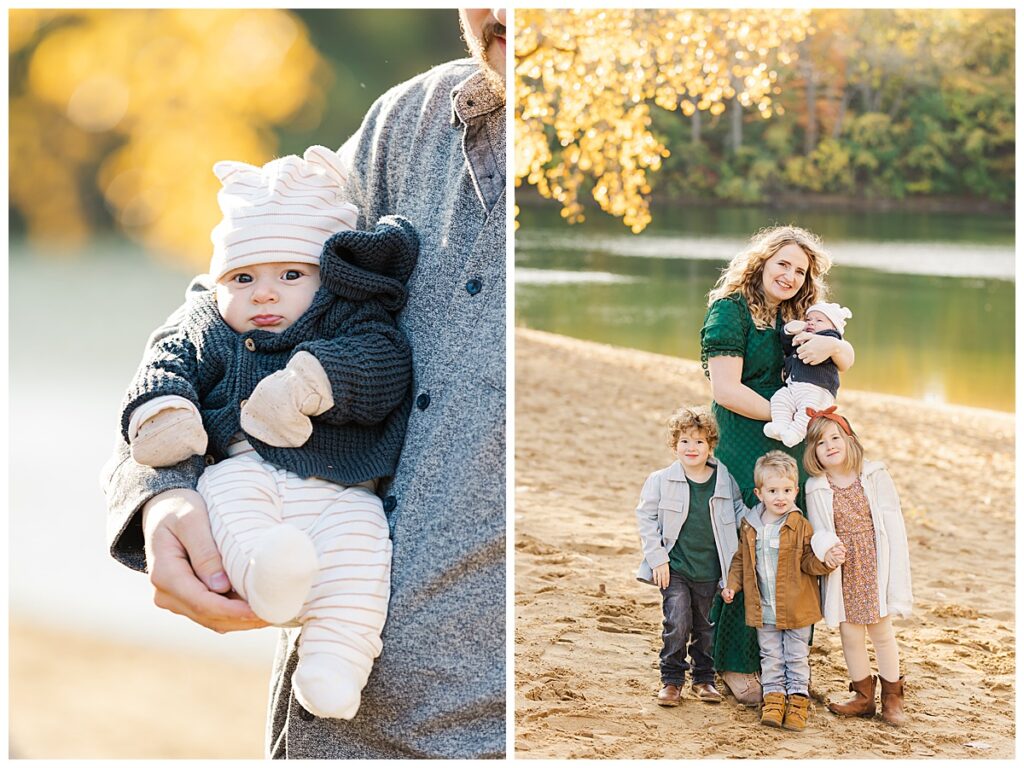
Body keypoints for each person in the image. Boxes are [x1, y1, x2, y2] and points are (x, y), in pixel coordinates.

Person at [101, 8, 507, 758]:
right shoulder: (408, 126)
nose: (507, 13)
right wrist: (163, 490)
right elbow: (222, 300)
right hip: (331, 740)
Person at [119, 145, 417, 720]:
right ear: (218, 280)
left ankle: (334, 661)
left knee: (361, 552)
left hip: (345, 490)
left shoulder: (349, 319)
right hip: (241, 471)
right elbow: (164, 366)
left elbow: (381, 366)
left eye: (290, 275)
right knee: (231, 506)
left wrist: (309, 383)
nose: (264, 293)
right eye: (242, 276)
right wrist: (164, 419)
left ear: (327, 279)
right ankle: (266, 576)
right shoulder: (208, 326)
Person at [699, 224, 854, 707]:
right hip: (746, 433)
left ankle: (788, 662)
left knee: (795, 536)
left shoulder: (799, 314)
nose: (789, 275)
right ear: (761, 262)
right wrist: (789, 413)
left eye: (800, 270)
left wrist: (831, 348)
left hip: (793, 441)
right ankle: (735, 661)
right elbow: (725, 390)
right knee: (752, 539)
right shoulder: (730, 311)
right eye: (782, 264)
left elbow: (845, 356)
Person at [803, 407, 913, 726]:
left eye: (835, 438)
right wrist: (827, 548)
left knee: (881, 630)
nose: (830, 446)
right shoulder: (816, 487)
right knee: (850, 633)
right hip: (845, 567)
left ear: (850, 440)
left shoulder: (874, 474)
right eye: (821, 443)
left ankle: (892, 697)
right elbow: (818, 528)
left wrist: (891, 563)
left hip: (874, 561)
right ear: (814, 453)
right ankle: (863, 696)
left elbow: (891, 518)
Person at [634, 406, 747, 707]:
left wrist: (768, 518)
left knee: (705, 627)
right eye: (685, 441)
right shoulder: (660, 480)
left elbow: (740, 516)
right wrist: (658, 558)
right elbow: (645, 519)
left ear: (711, 445)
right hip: (675, 568)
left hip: (711, 569)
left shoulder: (724, 480)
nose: (691, 447)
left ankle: (704, 678)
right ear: (674, 445)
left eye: (699, 441)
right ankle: (671, 680)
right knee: (677, 621)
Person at [721, 451, 834, 731]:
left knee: (795, 656)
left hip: (797, 608)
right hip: (765, 608)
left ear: (796, 490)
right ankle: (773, 699)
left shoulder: (800, 525)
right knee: (770, 656)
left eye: (786, 490)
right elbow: (741, 560)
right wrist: (732, 585)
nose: (780, 497)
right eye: (773, 491)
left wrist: (824, 562)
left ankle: (797, 702)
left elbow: (808, 560)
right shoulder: (751, 525)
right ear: (759, 493)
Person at [764, 301, 853, 447]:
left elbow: (835, 340)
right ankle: (780, 425)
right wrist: (788, 331)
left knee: (807, 412)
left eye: (819, 320)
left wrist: (824, 338)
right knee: (780, 398)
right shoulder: (802, 336)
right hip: (794, 387)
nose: (812, 323)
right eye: (809, 319)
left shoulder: (829, 337)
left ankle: (795, 434)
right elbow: (787, 347)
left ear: (833, 326)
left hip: (818, 389)